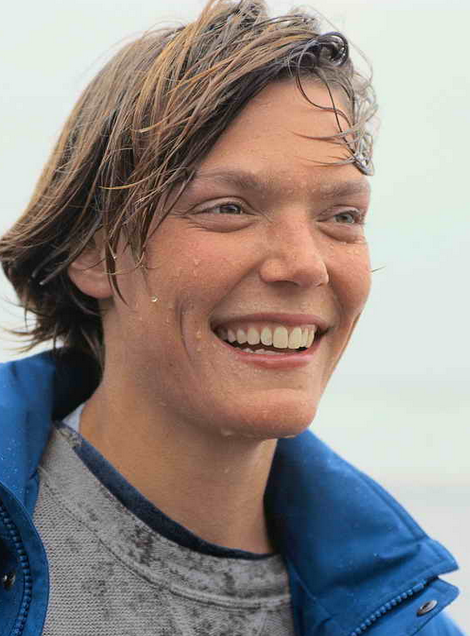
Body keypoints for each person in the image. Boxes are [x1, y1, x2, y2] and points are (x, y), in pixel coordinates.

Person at [0, 0, 465, 634]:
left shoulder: (407, 619)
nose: (305, 265)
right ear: (92, 252)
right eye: (228, 208)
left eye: (342, 217)